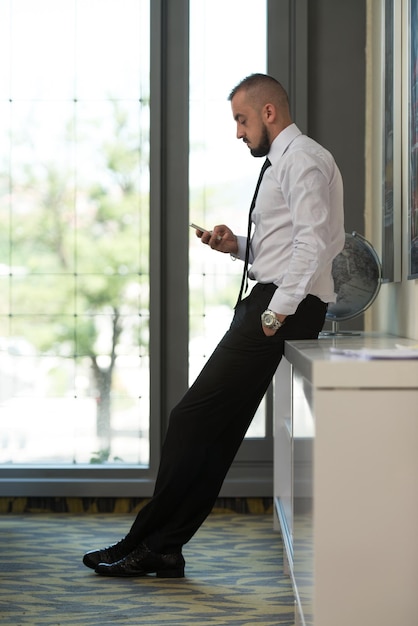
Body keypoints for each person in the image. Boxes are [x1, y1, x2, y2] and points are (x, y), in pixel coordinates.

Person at [82, 73, 345, 578]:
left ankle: (146, 539)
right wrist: (238, 247)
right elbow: (287, 245)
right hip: (275, 299)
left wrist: (275, 313)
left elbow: (313, 245)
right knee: (215, 432)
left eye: (242, 120)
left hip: (280, 307)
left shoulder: (303, 159)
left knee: (189, 421)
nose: (238, 132)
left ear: (269, 112)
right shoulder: (283, 162)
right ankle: (161, 546)